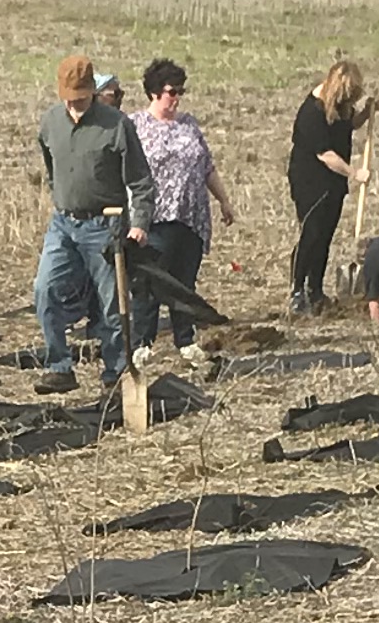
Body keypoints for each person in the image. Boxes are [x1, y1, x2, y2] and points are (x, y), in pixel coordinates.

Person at [32, 56, 154, 395]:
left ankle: (115, 373)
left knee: (112, 303)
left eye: (80, 97)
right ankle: (59, 367)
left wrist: (139, 223)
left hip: (106, 225)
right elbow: (52, 167)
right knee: (44, 289)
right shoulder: (50, 122)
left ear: (93, 91)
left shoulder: (117, 125)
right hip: (63, 224)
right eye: (68, 97)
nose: (73, 104)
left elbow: (141, 181)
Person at [130, 57, 235, 363]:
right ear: (154, 92)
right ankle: (142, 343)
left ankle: (185, 339)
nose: (176, 98)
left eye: (180, 92)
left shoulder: (189, 125)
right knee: (151, 282)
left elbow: (207, 166)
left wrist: (223, 200)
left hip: (190, 217)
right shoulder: (136, 126)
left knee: (184, 282)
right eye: (171, 92)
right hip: (155, 219)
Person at [287, 60, 371, 312]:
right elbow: (326, 154)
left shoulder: (341, 106)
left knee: (325, 236)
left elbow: (348, 125)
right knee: (311, 234)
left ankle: (316, 289)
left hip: (334, 182)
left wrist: (366, 113)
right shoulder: (311, 113)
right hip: (310, 181)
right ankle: (297, 291)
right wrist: (354, 173)